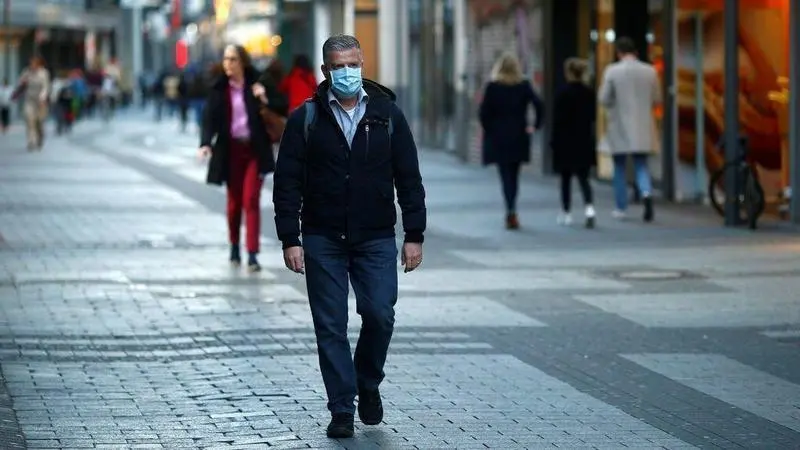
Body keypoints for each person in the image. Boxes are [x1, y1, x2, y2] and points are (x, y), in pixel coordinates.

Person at [272, 34, 426, 439]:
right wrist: (290, 238)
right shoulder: (306, 119)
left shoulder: (387, 115)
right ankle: (341, 407)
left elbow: (409, 178)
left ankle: (367, 382)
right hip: (322, 237)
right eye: (338, 67)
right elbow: (286, 183)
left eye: (352, 65)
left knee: (379, 314)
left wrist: (414, 233)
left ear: (362, 65)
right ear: (325, 71)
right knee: (330, 325)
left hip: (375, 236)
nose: (346, 73)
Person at [198, 45, 275, 272]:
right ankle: (234, 246)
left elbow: (279, 107)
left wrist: (264, 98)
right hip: (230, 152)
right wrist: (205, 143)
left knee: (251, 200)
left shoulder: (257, 84)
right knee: (234, 204)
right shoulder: (219, 89)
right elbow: (209, 120)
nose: (228, 64)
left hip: (254, 151)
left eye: (232, 59)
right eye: (225, 59)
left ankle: (252, 254)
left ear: (242, 62)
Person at [598, 36, 661, 222]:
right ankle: (646, 193)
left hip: (619, 125)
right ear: (635, 52)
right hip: (643, 125)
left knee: (619, 166)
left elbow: (603, 98)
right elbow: (657, 99)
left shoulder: (612, 71)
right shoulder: (650, 71)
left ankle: (621, 207)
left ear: (619, 53)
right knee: (641, 164)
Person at [479, 52, 544, 229]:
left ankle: (510, 209)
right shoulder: (523, 85)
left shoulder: (493, 87)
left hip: (499, 137)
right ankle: (512, 208)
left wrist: (490, 129)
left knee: (504, 175)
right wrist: (535, 126)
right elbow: (539, 104)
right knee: (514, 175)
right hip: (518, 136)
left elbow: (483, 113)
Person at [551, 58, 597, 228]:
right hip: (584, 139)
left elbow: (557, 120)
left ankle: (566, 212)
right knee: (584, 178)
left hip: (565, 140)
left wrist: (554, 142)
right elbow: (592, 117)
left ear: (568, 73)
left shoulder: (561, 93)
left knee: (565, 179)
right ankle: (589, 208)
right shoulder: (589, 92)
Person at [18, 56, 50, 151]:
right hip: (29, 99)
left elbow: (45, 87)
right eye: (31, 64)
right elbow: (20, 83)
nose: (32, 65)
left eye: (34, 64)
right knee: (29, 120)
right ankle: (31, 141)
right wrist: (23, 82)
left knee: (39, 122)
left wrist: (42, 98)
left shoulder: (44, 73)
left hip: (40, 101)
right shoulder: (26, 72)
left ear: (39, 64)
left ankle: (40, 138)